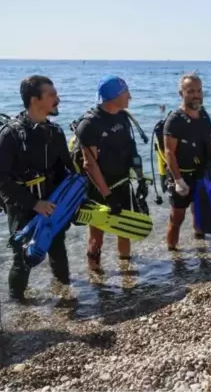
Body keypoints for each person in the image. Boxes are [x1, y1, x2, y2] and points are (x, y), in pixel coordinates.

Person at [0, 76, 74, 301]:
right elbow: (2, 179)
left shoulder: (55, 132)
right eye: (51, 95)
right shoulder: (10, 135)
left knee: (58, 250)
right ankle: (18, 304)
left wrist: (72, 201)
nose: (57, 99)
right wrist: (34, 204)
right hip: (23, 205)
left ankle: (66, 296)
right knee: (23, 258)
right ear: (34, 100)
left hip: (53, 203)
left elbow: (66, 171)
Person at [75, 76, 146, 270]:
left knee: (124, 229)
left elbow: (132, 150)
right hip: (98, 188)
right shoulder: (89, 124)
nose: (130, 97)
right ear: (113, 97)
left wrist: (140, 179)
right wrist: (108, 196)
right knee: (97, 235)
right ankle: (95, 274)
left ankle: (126, 269)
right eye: (126, 93)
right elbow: (90, 165)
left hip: (122, 183)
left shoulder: (123, 117)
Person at [163, 74, 211, 250]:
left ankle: (201, 247)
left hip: (202, 174)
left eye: (198, 90)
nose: (196, 95)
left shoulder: (204, 115)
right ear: (181, 93)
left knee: (200, 212)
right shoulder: (174, 120)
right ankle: (173, 253)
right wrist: (178, 180)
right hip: (180, 175)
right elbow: (169, 152)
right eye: (190, 91)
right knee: (177, 218)